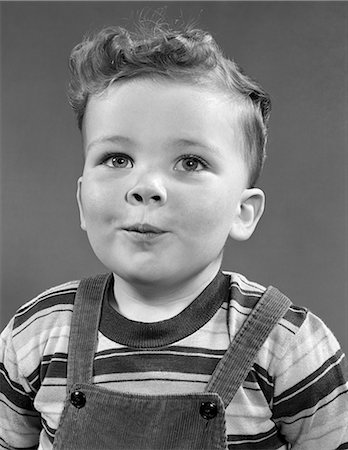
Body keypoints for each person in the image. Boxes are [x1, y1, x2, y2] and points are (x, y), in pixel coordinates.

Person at [1, 20, 347, 450]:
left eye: (189, 162)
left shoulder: (289, 346)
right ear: (81, 201)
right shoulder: (37, 333)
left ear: (243, 212)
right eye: (117, 158)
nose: (145, 186)